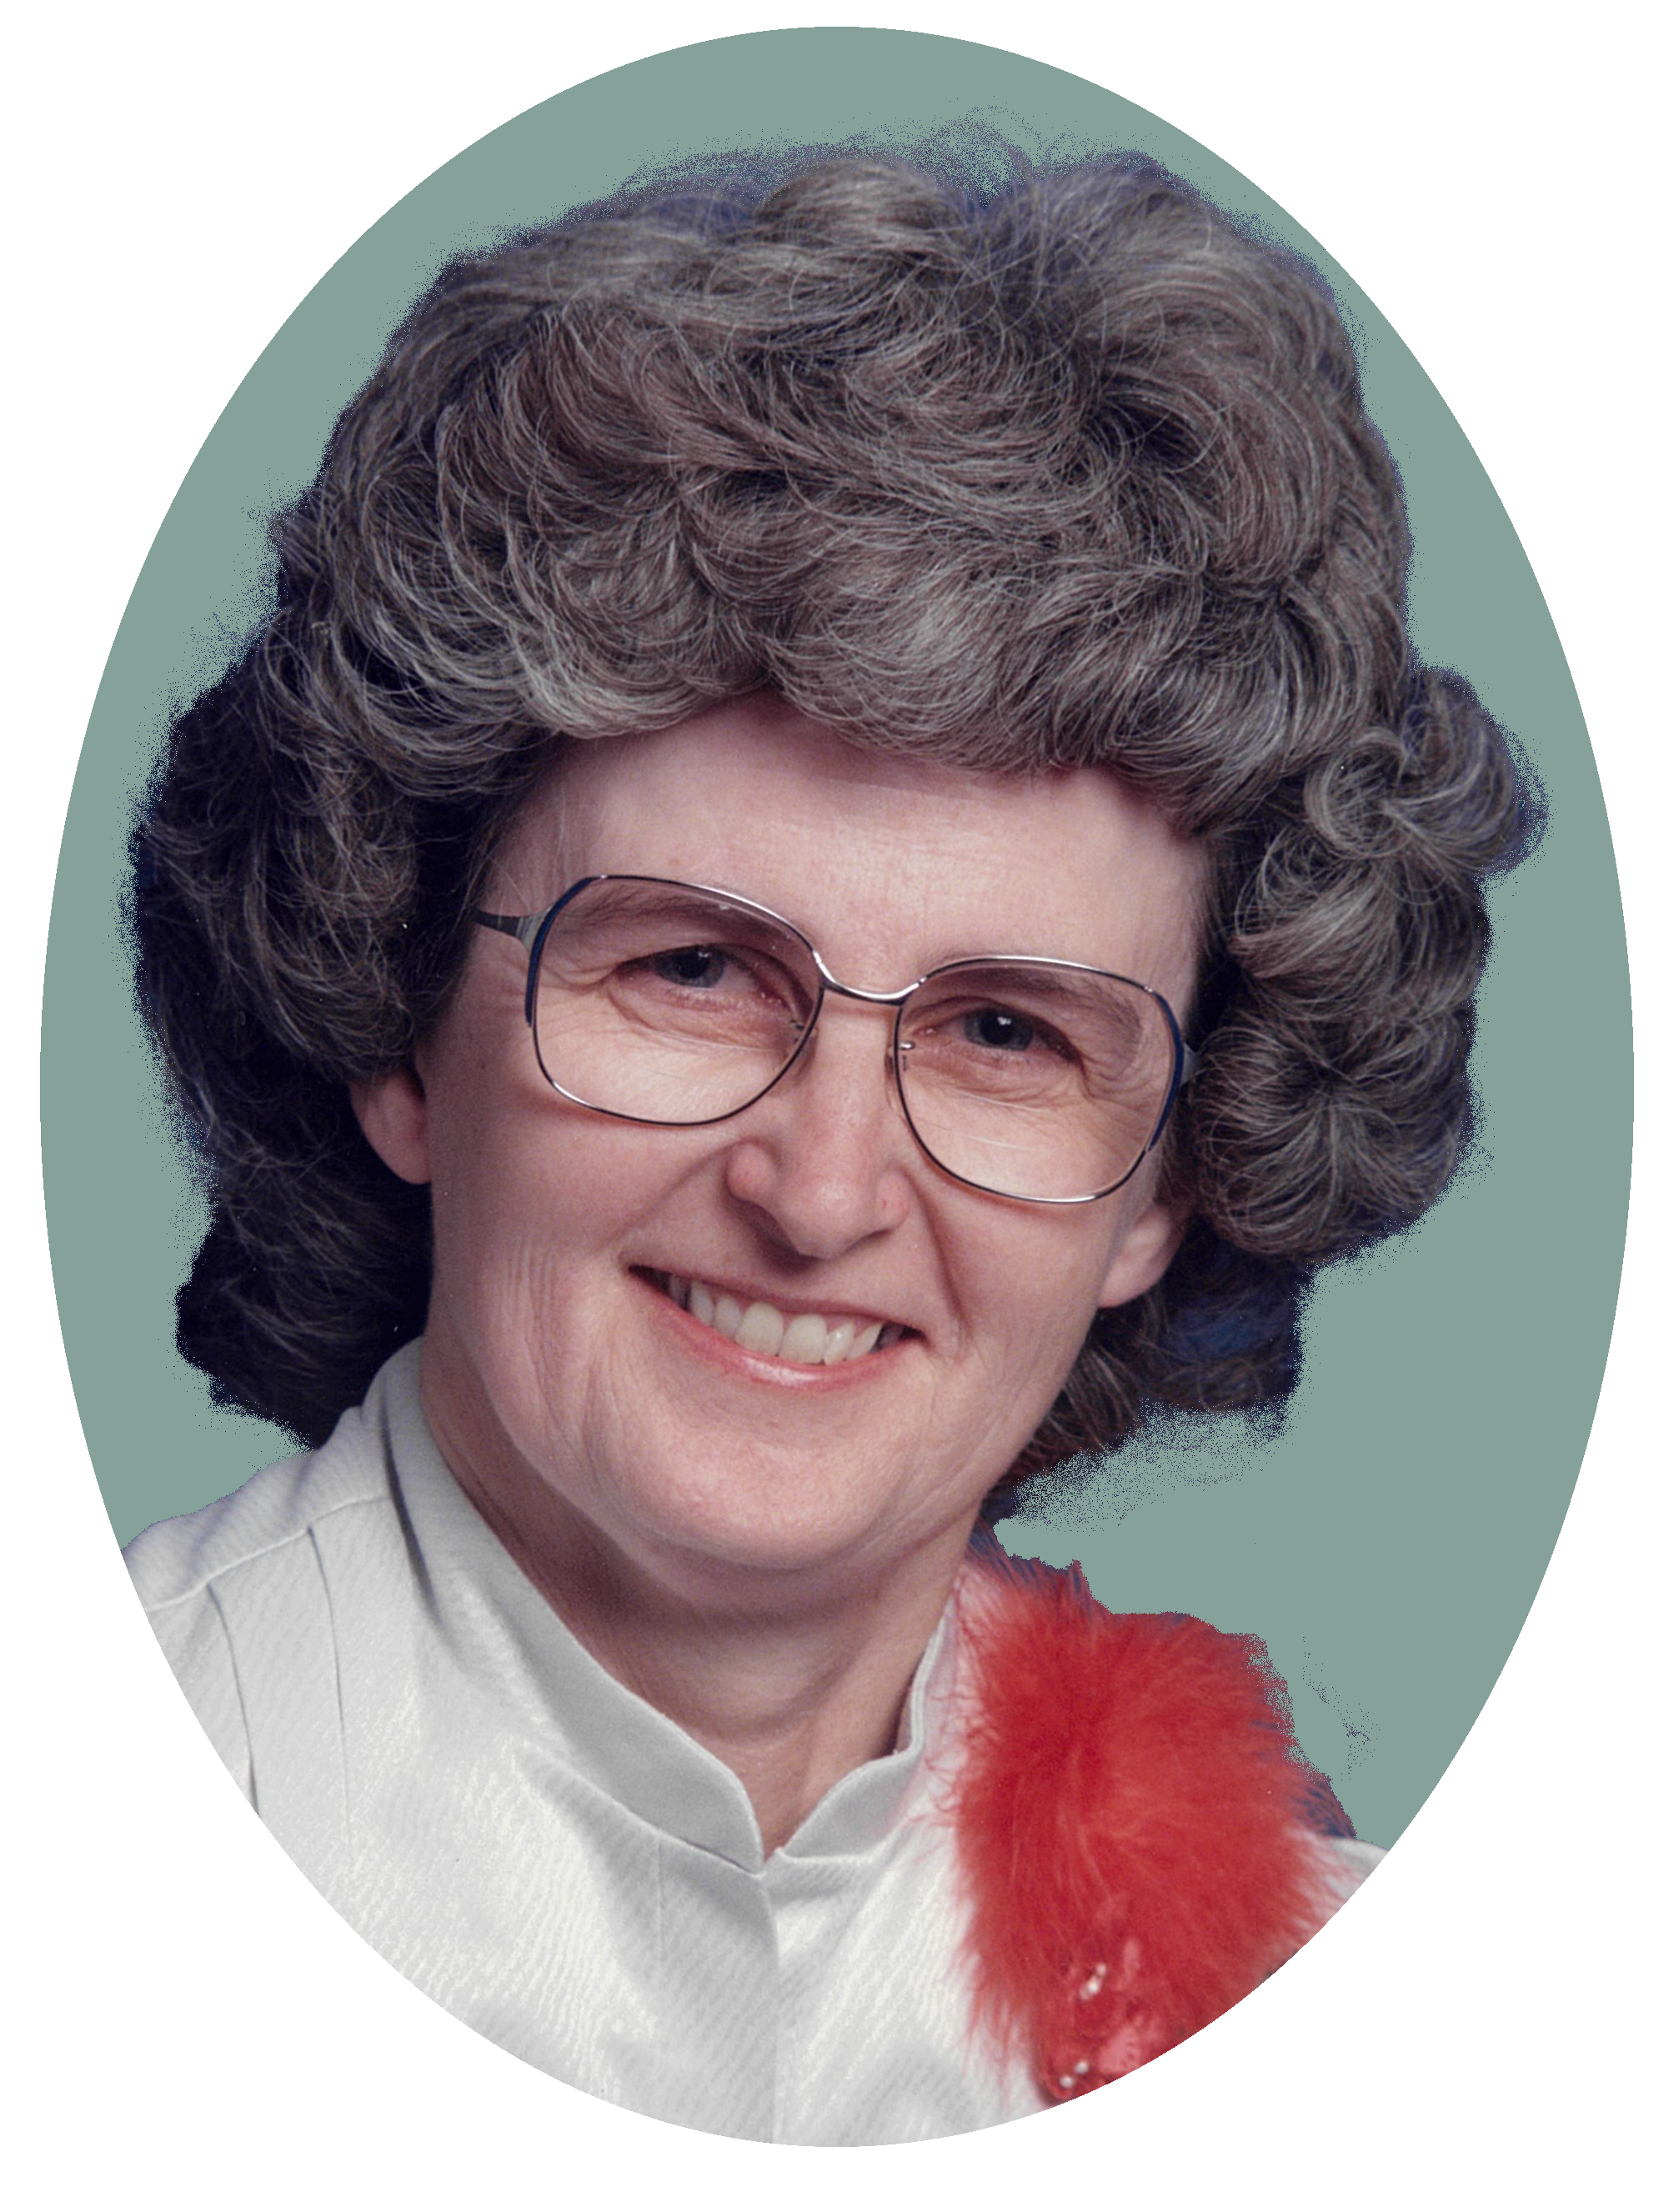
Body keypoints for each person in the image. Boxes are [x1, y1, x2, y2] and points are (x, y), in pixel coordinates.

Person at [123, 148, 1536, 2144]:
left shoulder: (1345, 2032)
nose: (819, 1190)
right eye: (691, 968)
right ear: (402, 1025)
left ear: (1166, 1180)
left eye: (1003, 1032)